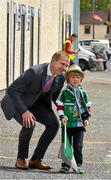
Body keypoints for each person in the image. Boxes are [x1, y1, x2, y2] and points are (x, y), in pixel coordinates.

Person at [1, 51, 70, 170]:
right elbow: (12, 89)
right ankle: (21, 159)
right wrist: (24, 111)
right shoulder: (35, 72)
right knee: (29, 123)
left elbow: (55, 97)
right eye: (62, 64)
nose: (64, 68)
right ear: (53, 61)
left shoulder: (60, 77)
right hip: (19, 102)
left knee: (54, 124)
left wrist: (66, 110)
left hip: (36, 103)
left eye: (67, 65)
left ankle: (36, 160)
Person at [56, 64, 92, 173]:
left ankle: (78, 165)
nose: (76, 79)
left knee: (78, 146)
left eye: (78, 77)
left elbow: (88, 106)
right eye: (73, 77)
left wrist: (86, 119)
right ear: (68, 79)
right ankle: (66, 165)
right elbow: (59, 106)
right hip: (67, 124)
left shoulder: (83, 93)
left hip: (79, 124)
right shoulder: (65, 93)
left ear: (81, 79)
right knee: (66, 145)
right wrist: (62, 116)